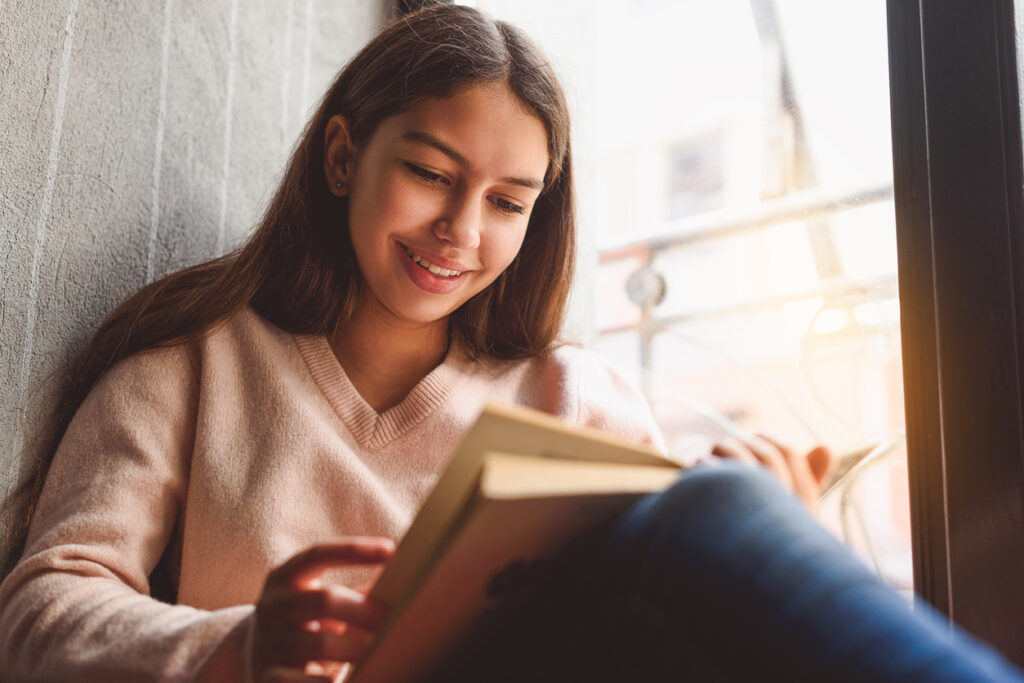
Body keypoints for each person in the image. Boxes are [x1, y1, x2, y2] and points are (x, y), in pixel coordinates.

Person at [0, 4, 1020, 682]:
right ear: (344, 155)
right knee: (712, 507)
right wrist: (238, 644)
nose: (461, 229)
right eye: (432, 173)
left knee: (719, 503)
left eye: (507, 201)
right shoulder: (189, 364)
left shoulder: (571, 390)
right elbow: (41, 610)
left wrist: (790, 527)